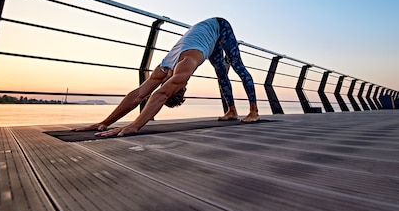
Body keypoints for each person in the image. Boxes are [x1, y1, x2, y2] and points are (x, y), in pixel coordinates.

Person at [73, 17, 260, 137]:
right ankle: (232, 112)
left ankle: (253, 111)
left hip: (220, 25)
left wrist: (135, 126)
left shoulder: (182, 66)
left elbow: (159, 94)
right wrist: (104, 123)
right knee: (221, 75)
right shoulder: (165, 69)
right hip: (207, 33)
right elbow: (138, 94)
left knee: (237, 66)